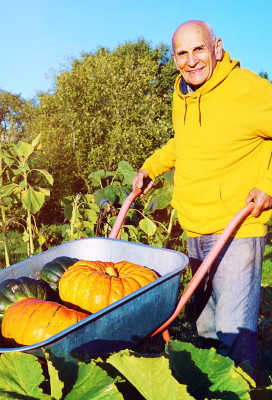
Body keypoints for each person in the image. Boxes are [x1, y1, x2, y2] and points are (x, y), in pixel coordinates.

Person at [132, 20, 272, 371]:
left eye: (199, 49)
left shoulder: (249, 90)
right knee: (205, 333)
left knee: (232, 338)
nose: (191, 60)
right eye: (182, 53)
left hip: (237, 230)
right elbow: (184, 143)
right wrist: (151, 167)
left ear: (217, 47)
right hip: (194, 230)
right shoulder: (183, 93)